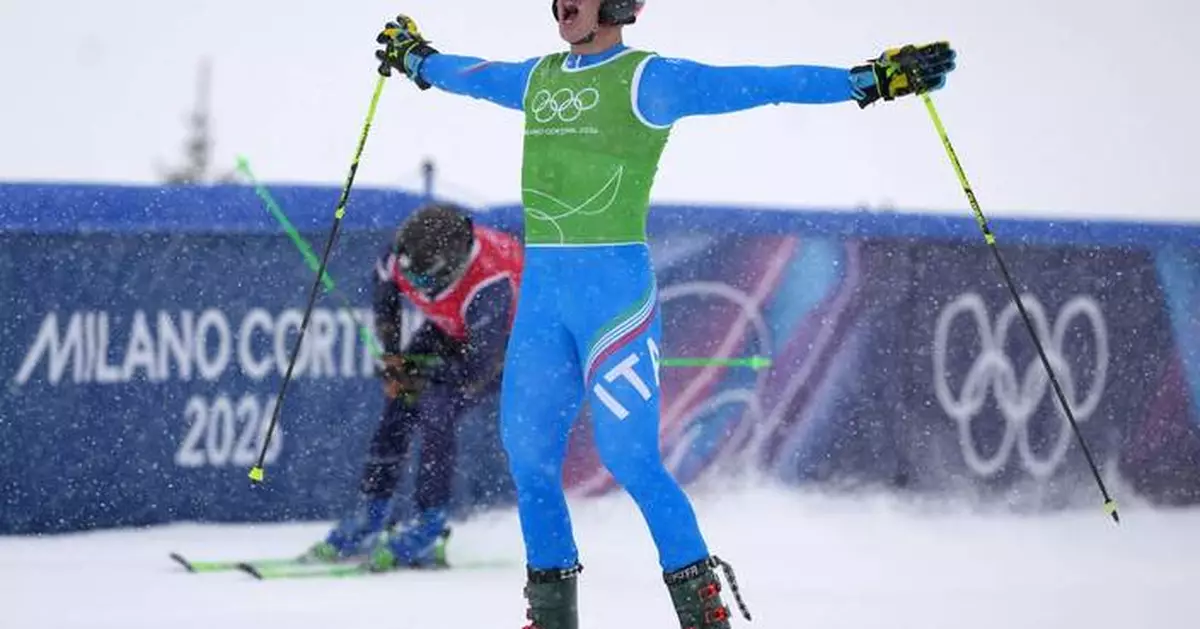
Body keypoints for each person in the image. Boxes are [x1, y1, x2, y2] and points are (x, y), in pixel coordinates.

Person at [373, 3, 956, 627]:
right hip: (544, 308)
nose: (563, 6)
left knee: (631, 460)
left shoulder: (648, 80)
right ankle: (552, 617)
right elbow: (470, 74)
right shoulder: (539, 78)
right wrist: (417, 60)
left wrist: (867, 81)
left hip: (614, 308)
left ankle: (704, 617)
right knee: (530, 461)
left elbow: (765, 82)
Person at [305, 202, 523, 570]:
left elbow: (478, 367)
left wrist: (426, 376)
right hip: (453, 327)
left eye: (425, 283)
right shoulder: (400, 257)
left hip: (511, 348)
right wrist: (393, 357)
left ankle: (429, 526)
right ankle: (372, 516)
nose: (417, 289)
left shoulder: (491, 284)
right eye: (412, 281)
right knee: (400, 402)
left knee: (438, 408)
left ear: (452, 267)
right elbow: (385, 298)